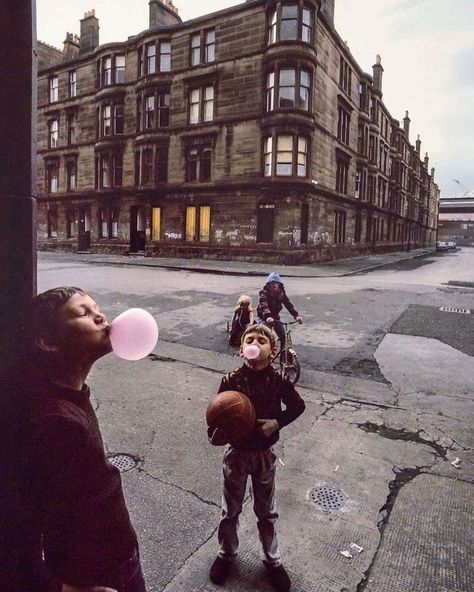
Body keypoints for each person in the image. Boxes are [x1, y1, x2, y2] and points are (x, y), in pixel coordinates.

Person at [25, 287, 146, 592]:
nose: (101, 316)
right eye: (83, 312)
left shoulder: (68, 393)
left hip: (117, 559)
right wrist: (62, 588)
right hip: (99, 575)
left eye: (96, 308)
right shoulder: (56, 422)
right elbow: (20, 518)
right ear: (48, 342)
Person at [208, 324, 305, 592]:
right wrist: (217, 433)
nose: (254, 342)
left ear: (272, 352)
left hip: (264, 455)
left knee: (266, 512)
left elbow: (298, 406)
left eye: (261, 340)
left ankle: (272, 560)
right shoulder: (230, 381)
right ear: (241, 350)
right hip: (236, 455)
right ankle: (227, 554)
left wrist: (277, 422)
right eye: (249, 339)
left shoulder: (279, 381)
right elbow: (218, 416)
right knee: (230, 510)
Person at [257, 272, 303, 349]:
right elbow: (263, 304)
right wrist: (268, 316)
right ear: (269, 284)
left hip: (275, 317)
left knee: (283, 337)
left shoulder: (281, 293)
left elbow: (288, 304)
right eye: (272, 283)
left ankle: (283, 354)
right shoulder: (264, 293)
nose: (274, 286)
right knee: (264, 337)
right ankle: (264, 355)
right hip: (264, 317)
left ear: (279, 284)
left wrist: (296, 315)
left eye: (276, 283)